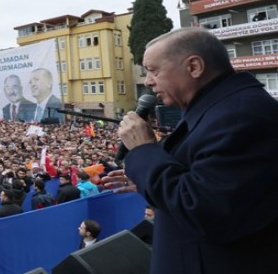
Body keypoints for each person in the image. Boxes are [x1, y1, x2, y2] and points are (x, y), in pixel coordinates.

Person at [104, 28, 278, 274]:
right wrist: (149, 178)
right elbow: (205, 184)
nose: (148, 81)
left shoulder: (239, 116)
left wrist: (144, 151)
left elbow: (206, 210)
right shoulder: (220, 109)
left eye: (154, 70)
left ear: (194, 67)